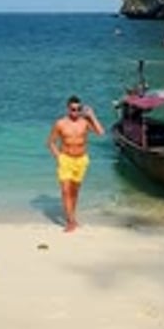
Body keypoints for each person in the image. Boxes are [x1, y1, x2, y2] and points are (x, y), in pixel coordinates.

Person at [47, 95, 104, 232]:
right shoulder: (60, 123)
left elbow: (100, 132)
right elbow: (50, 142)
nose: (75, 112)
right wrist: (58, 157)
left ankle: (73, 217)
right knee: (66, 191)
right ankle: (70, 222)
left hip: (81, 160)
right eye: (73, 109)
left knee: (74, 192)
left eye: (78, 109)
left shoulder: (85, 122)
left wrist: (92, 115)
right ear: (68, 109)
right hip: (66, 159)